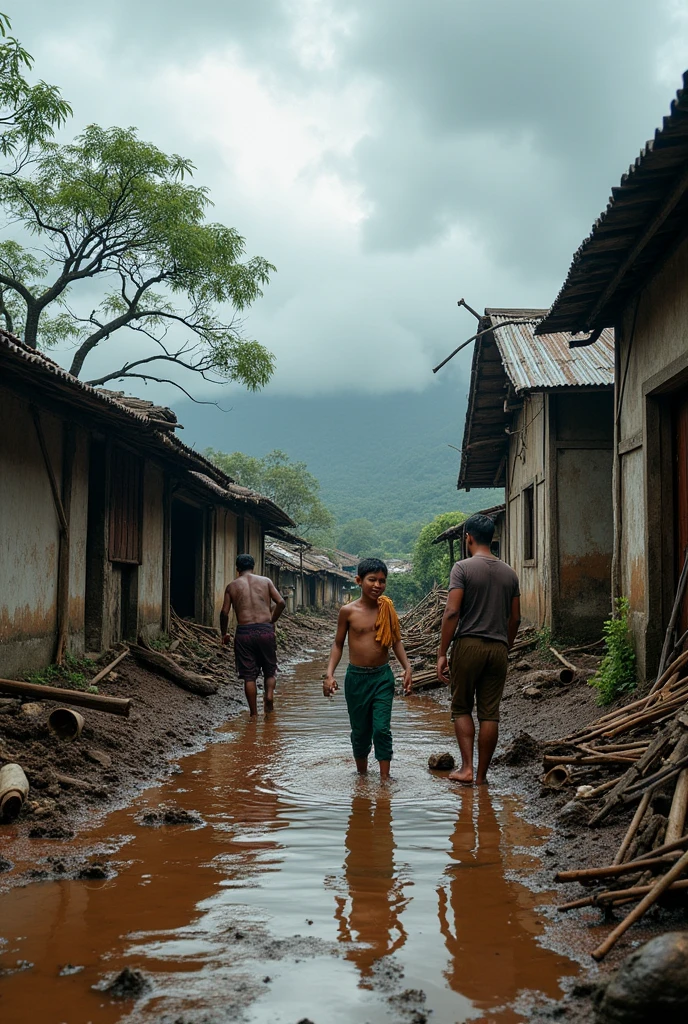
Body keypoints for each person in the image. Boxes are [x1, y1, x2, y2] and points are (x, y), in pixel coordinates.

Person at [436, 514, 521, 786]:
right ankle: (482, 777)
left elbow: (451, 612)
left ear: (468, 538)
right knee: (489, 713)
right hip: (498, 648)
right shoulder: (510, 573)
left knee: (461, 707)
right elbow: (516, 618)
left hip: (469, 644)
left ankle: (467, 768)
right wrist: (505, 644)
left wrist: (441, 652)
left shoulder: (462, 568)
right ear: (492, 538)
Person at [323, 557, 413, 780]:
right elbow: (337, 644)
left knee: (381, 729)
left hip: (382, 677)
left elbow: (395, 641)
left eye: (382, 581)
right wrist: (329, 674)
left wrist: (407, 667)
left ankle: (385, 781)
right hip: (356, 679)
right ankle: (362, 777)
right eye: (372, 580)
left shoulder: (387, 609)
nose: (377, 585)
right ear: (358, 580)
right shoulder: (348, 611)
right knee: (361, 732)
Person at [220, 553, 286, 716]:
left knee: (249, 676)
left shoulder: (232, 586)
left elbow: (224, 613)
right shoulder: (266, 581)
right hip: (265, 631)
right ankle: (269, 696)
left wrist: (224, 634)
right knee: (270, 670)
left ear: (237, 569)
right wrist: (271, 620)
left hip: (244, 633)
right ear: (253, 567)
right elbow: (281, 602)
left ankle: (254, 714)